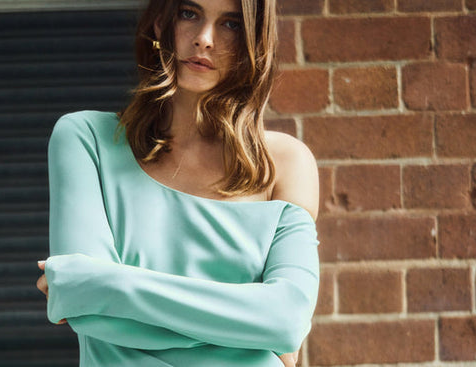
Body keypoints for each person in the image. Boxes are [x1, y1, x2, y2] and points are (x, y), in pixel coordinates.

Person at [36, 0, 320, 365]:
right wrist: (244, 326)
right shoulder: (86, 139)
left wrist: (97, 285)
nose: (204, 39)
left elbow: (286, 321)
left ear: (254, 43)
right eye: (190, 13)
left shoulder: (284, 163)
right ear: (159, 23)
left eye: (230, 25)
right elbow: (86, 313)